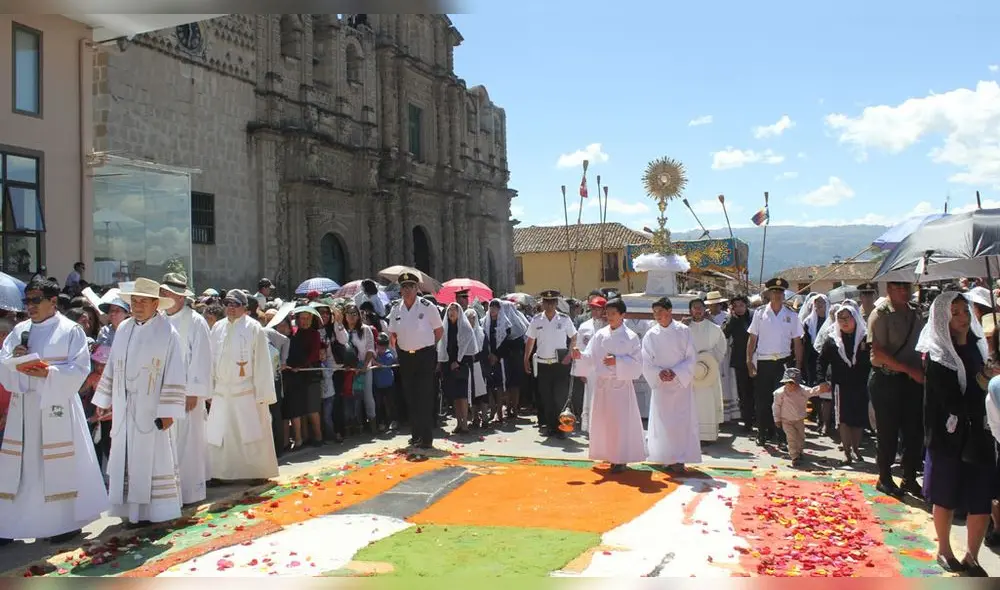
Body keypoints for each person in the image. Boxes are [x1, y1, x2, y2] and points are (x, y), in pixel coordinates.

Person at [0, 277, 108, 545]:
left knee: (58, 466)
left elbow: (80, 368)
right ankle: (17, 522)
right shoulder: (19, 330)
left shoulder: (71, 330)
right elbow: (3, 364)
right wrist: (15, 359)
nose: (31, 306)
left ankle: (64, 522)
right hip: (24, 409)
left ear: (52, 301)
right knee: (26, 469)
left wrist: (48, 372)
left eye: (36, 300)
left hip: (56, 407)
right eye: (27, 301)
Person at [92, 277, 187, 526]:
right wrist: (104, 398)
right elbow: (112, 366)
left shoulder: (168, 332)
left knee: (153, 458)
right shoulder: (123, 328)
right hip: (125, 407)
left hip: (152, 409)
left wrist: (168, 411)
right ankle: (131, 511)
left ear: (156, 303)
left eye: (144, 301)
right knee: (126, 456)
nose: (138, 305)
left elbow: (176, 372)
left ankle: (157, 511)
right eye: (135, 300)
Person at [919, 292, 996, 575]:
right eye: (956, 312)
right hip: (948, 435)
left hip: (980, 432)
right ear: (943, 318)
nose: (963, 317)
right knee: (946, 495)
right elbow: (954, 402)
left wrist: (991, 376)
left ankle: (972, 556)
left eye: (965, 310)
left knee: (981, 496)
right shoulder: (938, 357)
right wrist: (982, 380)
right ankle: (945, 551)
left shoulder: (979, 347)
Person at [206, 290, 279, 483]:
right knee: (219, 434)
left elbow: (262, 361)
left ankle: (256, 472)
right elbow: (210, 358)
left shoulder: (254, 328)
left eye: (235, 304)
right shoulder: (218, 327)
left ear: (244, 307)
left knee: (250, 433)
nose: (230, 307)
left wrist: (263, 393)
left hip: (246, 391)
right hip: (222, 391)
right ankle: (219, 472)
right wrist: (209, 387)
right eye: (228, 303)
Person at [159, 273, 213, 506]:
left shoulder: (195, 321)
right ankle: (168, 490)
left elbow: (202, 358)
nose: (165, 297)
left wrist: (194, 391)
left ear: (181, 297)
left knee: (188, 442)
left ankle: (190, 491)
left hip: (186, 392)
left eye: (170, 293)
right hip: (163, 392)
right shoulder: (159, 319)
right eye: (163, 293)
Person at [574, 298, 645, 473]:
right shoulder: (601, 334)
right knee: (605, 422)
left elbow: (637, 363)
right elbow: (591, 356)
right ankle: (609, 454)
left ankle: (621, 458)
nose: (610, 317)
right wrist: (580, 355)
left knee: (620, 423)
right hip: (603, 385)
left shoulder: (631, 337)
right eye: (608, 313)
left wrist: (617, 361)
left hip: (620, 386)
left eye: (614, 313)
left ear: (622, 315)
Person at [868, 281, 925, 499]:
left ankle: (909, 477)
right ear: (889, 289)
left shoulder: (917, 313)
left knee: (913, 432)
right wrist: (909, 370)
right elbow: (877, 353)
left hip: (912, 381)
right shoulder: (881, 314)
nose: (904, 290)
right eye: (898, 286)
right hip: (886, 379)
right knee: (888, 432)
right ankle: (884, 477)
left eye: (906, 286)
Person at [642, 296, 700, 472]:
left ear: (670, 311)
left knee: (680, 421)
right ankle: (663, 456)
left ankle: (680, 458)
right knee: (663, 421)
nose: (658, 316)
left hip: (680, 384)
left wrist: (676, 372)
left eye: (660, 312)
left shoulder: (684, 331)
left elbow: (691, 357)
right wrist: (659, 373)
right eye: (655, 313)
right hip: (661, 384)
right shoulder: (651, 334)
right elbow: (645, 359)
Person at [388, 272, 444, 452]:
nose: (406, 290)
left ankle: (427, 438)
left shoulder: (427, 307)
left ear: (417, 289)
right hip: (405, 356)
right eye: (403, 287)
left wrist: (428, 346)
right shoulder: (396, 308)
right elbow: (392, 333)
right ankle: (416, 435)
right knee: (410, 396)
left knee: (424, 396)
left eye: (410, 286)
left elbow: (439, 331)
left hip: (424, 355)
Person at [747, 278, 804, 446]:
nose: (777, 295)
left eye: (780, 292)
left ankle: (782, 436)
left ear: (783, 294)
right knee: (763, 400)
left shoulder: (791, 315)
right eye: (774, 292)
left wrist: (798, 365)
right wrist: (749, 361)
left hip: (783, 362)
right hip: (764, 361)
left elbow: (797, 342)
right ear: (769, 294)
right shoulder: (760, 313)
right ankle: (762, 432)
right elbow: (752, 339)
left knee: (783, 400)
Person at [816, 304, 872, 464]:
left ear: (855, 318)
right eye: (840, 319)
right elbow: (821, 360)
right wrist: (821, 380)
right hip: (841, 385)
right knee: (844, 419)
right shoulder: (832, 340)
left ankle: (856, 449)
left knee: (859, 418)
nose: (844, 322)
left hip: (861, 384)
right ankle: (846, 451)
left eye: (847, 318)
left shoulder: (865, 337)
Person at [524, 290, 577, 439]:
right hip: (542, 364)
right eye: (546, 302)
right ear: (542, 303)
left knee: (559, 397)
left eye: (552, 302)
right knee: (546, 397)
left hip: (559, 364)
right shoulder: (536, 320)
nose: (549, 305)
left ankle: (561, 427)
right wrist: (526, 358)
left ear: (556, 303)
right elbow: (530, 341)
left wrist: (569, 354)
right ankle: (550, 426)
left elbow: (574, 337)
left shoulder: (564, 319)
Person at [687, 298, 727, 442]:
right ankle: (692, 435)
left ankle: (707, 435)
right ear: (690, 310)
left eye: (700, 307)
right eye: (694, 307)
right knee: (691, 402)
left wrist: (710, 361)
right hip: (691, 370)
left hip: (708, 370)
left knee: (707, 401)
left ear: (705, 310)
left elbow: (721, 347)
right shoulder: (685, 329)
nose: (697, 310)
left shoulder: (714, 328)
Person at [772, 368, 828, 466]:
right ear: (784, 382)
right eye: (788, 383)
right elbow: (776, 406)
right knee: (791, 437)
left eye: (793, 383)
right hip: (786, 420)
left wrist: (821, 388)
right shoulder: (779, 393)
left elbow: (812, 391)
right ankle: (794, 456)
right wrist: (777, 419)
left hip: (799, 419)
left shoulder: (802, 390)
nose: (791, 385)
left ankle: (800, 451)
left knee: (801, 437)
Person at [439, 303, 477, 434]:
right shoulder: (445, 327)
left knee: (463, 395)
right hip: (448, 364)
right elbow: (443, 346)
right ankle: (458, 422)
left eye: (454, 310)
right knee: (454, 395)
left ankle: (465, 422)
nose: (451, 312)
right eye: (449, 310)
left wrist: (458, 361)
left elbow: (466, 347)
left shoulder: (465, 327)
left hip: (462, 364)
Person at [571, 297, 606, 434]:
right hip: (590, 369)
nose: (595, 311)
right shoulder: (584, 326)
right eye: (593, 308)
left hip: (606, 368)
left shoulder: (609, 325)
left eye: (598, 308)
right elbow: (579, 348)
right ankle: (592, 428)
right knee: (591, 398)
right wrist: (581, 371)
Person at [723, 295, 755, 432]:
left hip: (755, 358)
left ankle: (758, 419)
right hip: (740, 361)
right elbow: (724, 333)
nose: (739, 308)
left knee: (756, 391)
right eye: (735, 306)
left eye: (741, 305)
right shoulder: (732, 319)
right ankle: (747, 421)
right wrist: (730, 319)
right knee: (744, 392)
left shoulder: (754, 317)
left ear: (746, 305)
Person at [372, 333, 397, 429]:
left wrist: (374, 362)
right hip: (378, 385)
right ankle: (381, 422)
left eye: (383, 346)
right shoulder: (375, 354)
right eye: (379, 345)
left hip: (388, 384)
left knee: (391, 403)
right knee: (379, 405)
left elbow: (382, 366)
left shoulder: (389, 355)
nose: (381, 348)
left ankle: (394, 421)